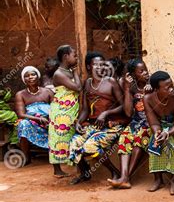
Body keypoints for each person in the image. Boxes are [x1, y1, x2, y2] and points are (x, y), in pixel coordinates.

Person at [69, 57, 126, 185]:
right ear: (89, 67)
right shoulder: (87, 83)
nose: (100, 67)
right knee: (74, 142)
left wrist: (106, 113)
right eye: (96, 65)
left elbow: (123, 106)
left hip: (111, 125)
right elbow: (84, 109)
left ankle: (115, 172)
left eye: (102, 64)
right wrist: (79, 122)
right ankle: (85, 173)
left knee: (90, 146)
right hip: (93, 125)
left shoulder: (111, 82)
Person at [108, 59, 151, 189]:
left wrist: (149, 95)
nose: (146, 73)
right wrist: (127, 89)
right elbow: (128, 112)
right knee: (124, 138)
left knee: (139, 138)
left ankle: (125, 178)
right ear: (133, 75)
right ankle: (124, 177)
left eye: (146, 70)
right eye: (141, 71)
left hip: (151, 124)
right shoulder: (132, 88)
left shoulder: (152, 86)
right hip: (136, 123)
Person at [48, 45, 81, 178]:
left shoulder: (66, 71)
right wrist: (75, 73)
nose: (76, 57)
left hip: (71, 108)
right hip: (62, 110)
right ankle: (57, 170)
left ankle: (75, 165)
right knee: (59, 137)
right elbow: (78, 87)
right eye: (74, 55)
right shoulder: (59, 74)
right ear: (66, 57)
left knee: (71, 136)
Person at [14, 66, 53, 165]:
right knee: (23, 124)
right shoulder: (20, 94)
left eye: (33, 74)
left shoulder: (47, 92)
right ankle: (26, 157)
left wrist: (50, 118)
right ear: (24, 80)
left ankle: (57, 153)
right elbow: (21, 114)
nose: (30, 77)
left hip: (49, 120)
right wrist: (38, 119)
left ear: (38, 76)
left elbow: (56, 109)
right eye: (27, 76)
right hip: (33, 122)